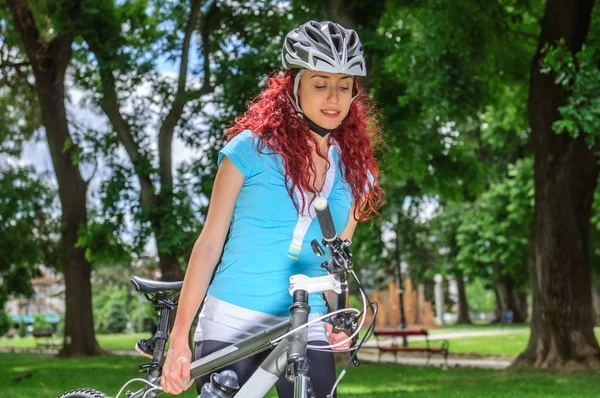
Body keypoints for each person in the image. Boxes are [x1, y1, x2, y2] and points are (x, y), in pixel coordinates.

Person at [161, 20, 384, 397]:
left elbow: (336, 261)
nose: (333, 98)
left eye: (344, 86)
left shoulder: (356, 172)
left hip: (306, 322)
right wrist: (178, 338)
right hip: (232, 318)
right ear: (294, 86)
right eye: (320, 84)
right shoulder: (248, 150)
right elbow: (210, 243)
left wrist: (340, 319)